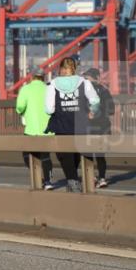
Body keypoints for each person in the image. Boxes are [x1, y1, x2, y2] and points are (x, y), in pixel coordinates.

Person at [45, 57, 100, 192]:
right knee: (77, 153)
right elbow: (95, 101)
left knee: (64, 154)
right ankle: (73, 181)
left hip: (62, 125)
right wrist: (92, 112)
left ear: (61, 69)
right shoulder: (85, 83)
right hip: (81, 124)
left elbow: (49, 109)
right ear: (74, 68)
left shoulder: (53, 84)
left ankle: (73, 181)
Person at [15, 69, 55, 190]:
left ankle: (38, 178)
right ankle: (48, 181)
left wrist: (21, 111)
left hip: (31, 129)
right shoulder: (49, 89)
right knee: (45, 156)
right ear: (43, 77)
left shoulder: (26, 89)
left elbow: (19, 107)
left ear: (31, 77)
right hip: (48, 129)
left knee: (27, 155)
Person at [82, 67, 115, 188]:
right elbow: (111, 110)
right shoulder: (105, 91)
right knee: (100, 155)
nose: (86, 80)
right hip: (103, 126)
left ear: (95, 78)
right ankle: (102, 178)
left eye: (88, 77)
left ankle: (92, 177)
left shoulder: (85, 91)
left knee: (88, 154)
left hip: (89, 127)